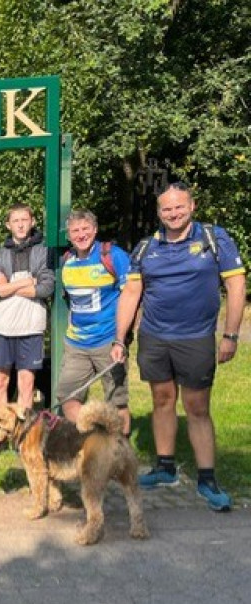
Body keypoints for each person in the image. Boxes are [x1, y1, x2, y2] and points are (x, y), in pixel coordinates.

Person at [113, 182, 246, 512]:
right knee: (162, 400)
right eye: (166, 209)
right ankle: (165, 467)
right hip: (155, 338)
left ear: (192, 206)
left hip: (196, 338)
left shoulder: (214, 239)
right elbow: (130, 294)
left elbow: (236, 284)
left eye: (179, 207)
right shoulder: (146, 247)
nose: (173, 213)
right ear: (159, 212)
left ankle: (207, 479)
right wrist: (120, 338)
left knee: (197, 408)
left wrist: (230, 335)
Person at [0, 203, 54, 452]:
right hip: (2, 327)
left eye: (25, 219)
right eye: (16, 220)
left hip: (30, 327)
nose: (21, 224)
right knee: (0, 382)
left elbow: (46, 287)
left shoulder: (43, 251)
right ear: (8, 225)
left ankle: (23, 439)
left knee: (26, 385)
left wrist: (8, 287)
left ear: (32, 221)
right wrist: (27, 282)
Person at [55, 210, 131, 433]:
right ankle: (92, 441)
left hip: (108, 342)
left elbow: (132, 296)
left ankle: (120, 452)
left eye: (85, 229)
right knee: (67, 396)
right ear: (68, 235)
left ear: (95, 230)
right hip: (76, 344)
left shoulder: (113, 256)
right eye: (75, 231)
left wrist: (123, 338)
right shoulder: (67, 261)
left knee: (117, 401)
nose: (81, 235)